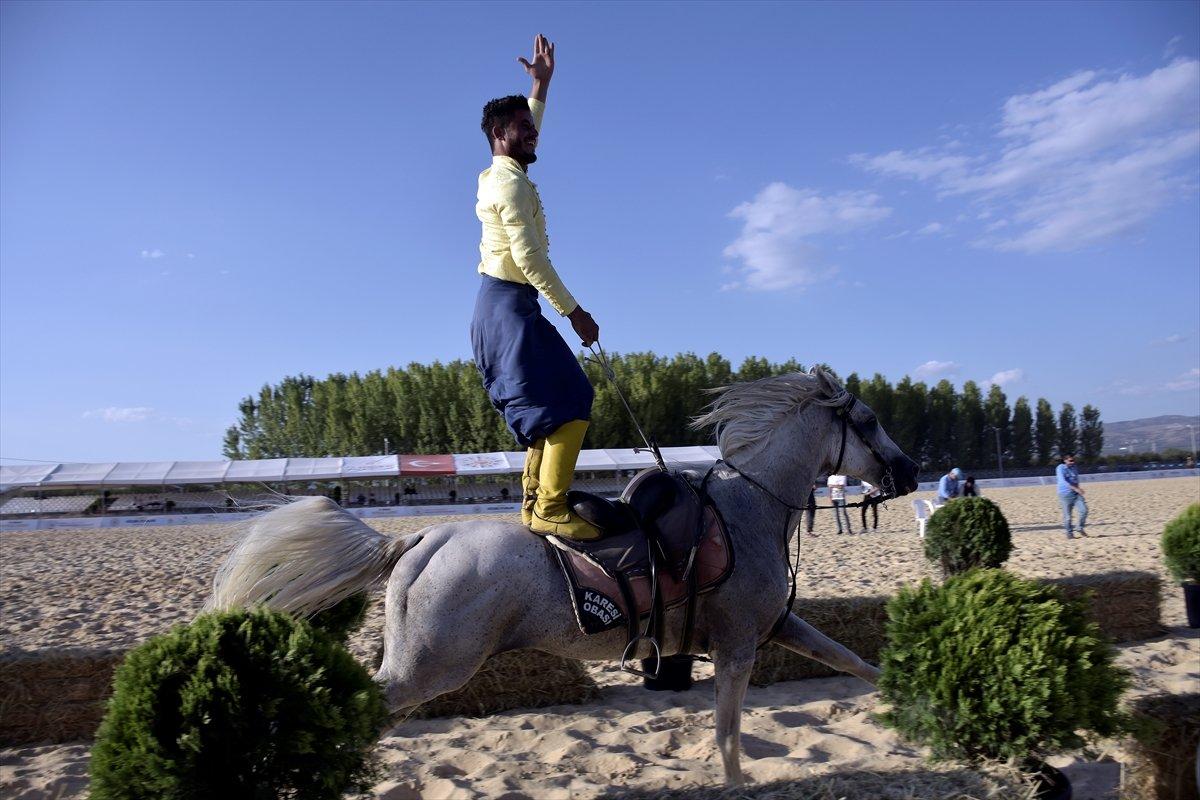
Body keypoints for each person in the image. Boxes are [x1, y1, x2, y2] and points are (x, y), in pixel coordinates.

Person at [471, 35, 602, 540]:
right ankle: (550, 505)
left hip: (499, 308)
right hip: (510, 307)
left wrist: (539, 87)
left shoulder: (499, 171)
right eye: (524, 130)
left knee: (548, 408)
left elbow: (525, 129)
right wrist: (575, 313)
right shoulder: (512, 185)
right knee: (572, 398)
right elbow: (529, 258)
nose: (535, 134)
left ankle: (533, 504)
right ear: (501, 134)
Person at [1056, 454, 1088, 539]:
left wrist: (1078, 489)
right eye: (1070, 461)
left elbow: (1076, 479)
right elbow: (1063, 482)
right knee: (1068, 517)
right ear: (1065, 461)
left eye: (1073, 460)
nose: (1072, 462)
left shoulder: (1074, 467)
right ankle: (1069, 533)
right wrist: (1076, 489)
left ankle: (1079, 527)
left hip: (1076, 494)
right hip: (1065, 494)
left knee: (1084, 510)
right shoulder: (1060, 468)